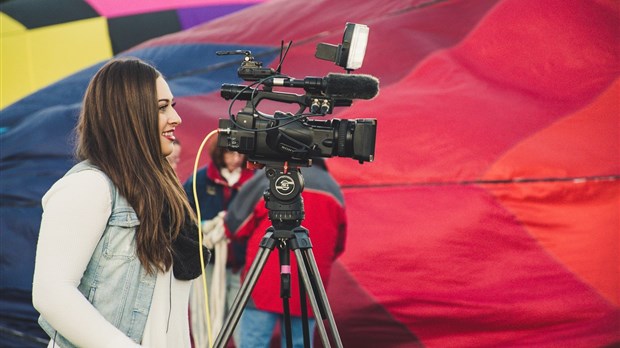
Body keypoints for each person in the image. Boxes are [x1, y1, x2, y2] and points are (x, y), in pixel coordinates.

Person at [32, 57, 209, 348]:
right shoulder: (89, 186)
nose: (175, 118)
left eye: (172, 106)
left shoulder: (161, 190)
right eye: (161, 108)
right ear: (129, 115)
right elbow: (51, 293)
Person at [224, 158, 347, 348]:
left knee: (253, 343)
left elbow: (235, 225)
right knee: (300, 343)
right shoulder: (333, 188)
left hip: (262, 282)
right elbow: (338, 246)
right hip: (308, 285)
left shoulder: (270, 178)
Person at [183, 146, 255, 347]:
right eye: (231, 153)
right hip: (209, 262)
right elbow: (183, 211)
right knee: (208, 313)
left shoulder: (253, 180)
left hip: (239, 264)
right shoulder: (201, 178)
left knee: (241, 316)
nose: (236, 158)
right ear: (220, 154)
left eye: (240, 153)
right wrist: (205, 228)